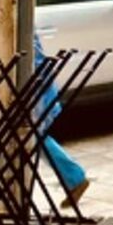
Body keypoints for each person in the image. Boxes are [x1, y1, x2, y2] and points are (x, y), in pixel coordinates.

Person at [34, 31, 90, 207]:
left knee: (33, 137)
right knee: (34, 138)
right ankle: (74, 178)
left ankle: (75, 177)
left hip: (37, 92)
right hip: (39, 90)